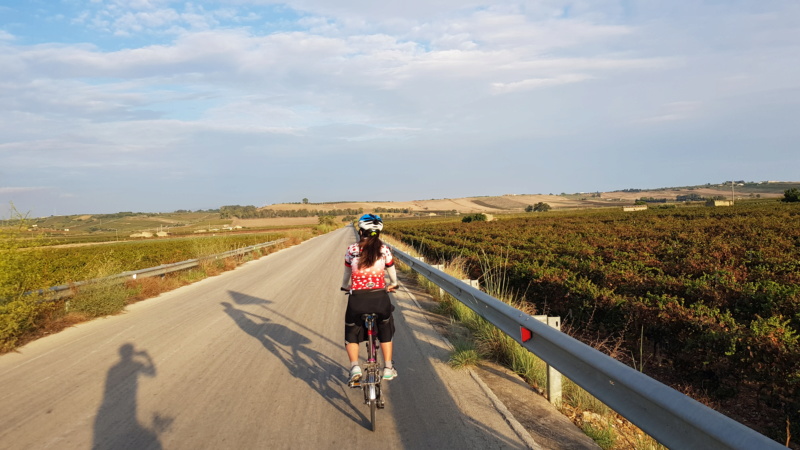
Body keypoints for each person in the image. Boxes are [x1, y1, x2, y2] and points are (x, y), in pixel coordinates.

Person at [341, 213, 399, 385]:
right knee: (386, 328)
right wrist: (393, 284)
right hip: (380, 298)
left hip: (357, 299)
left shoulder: (352, 250)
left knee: (351, 331)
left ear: (361, 231)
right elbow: (392, 273)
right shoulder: (384, 249)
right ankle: (388, 368)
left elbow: (347, 274)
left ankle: (355, 367)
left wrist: (346, 286)